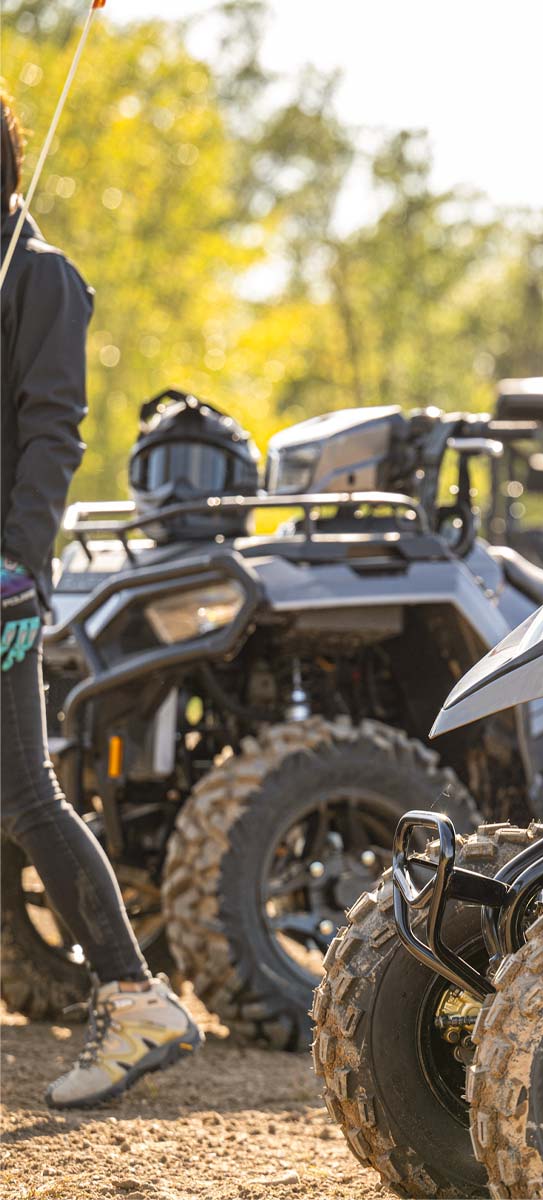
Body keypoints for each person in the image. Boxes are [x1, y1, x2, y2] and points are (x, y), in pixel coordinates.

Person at [1, 85, 202, 1109]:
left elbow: (53, 432)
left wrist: (19, 569)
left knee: (25, 794)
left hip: (0, 587)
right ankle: (135, 1000)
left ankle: (135, 1003)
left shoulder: (38, 276)